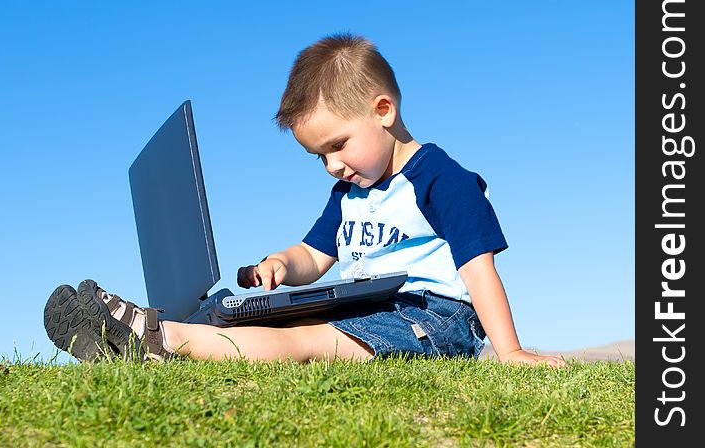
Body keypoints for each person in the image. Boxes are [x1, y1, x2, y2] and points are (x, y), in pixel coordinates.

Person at [44, 33, 565, 367]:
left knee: (306, 344)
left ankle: (159, 340)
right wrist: (277, 265)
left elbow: (478, 269)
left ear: (383, 110)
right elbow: (314, 257)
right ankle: (152, 334)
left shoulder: (440, 178)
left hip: (430, 318)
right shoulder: (349, 194)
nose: (333, 166)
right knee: (264, 318)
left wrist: (509, 349)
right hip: (367, 304)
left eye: (338, 145)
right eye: (319, 156)